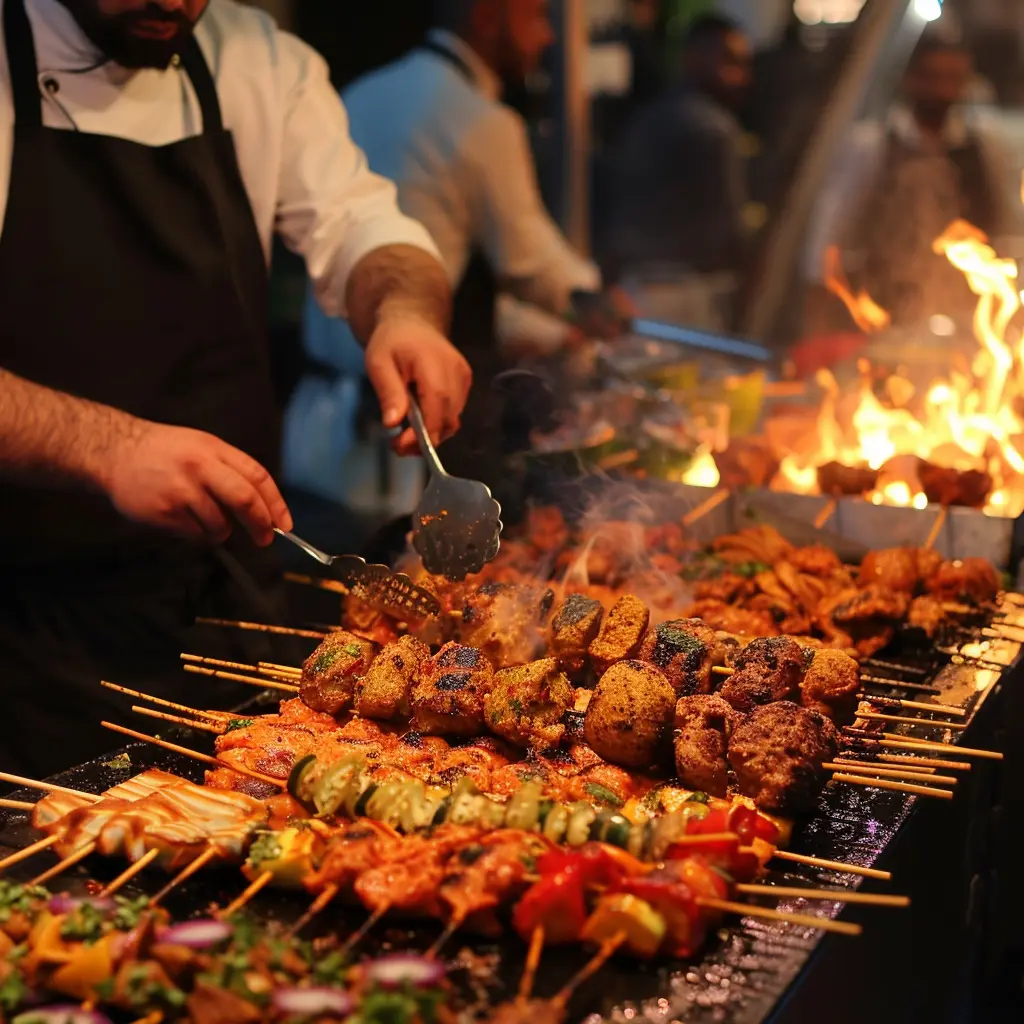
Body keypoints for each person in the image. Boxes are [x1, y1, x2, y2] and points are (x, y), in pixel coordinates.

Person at [0, 0, 472, 777]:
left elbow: (364, 228)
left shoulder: (255, 60)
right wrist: (110, 447)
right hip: (37, 626)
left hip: (231, 594)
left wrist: (406, 312)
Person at [295, 0, 605, 493]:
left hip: (311, 428)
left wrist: (552, 334)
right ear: (486, 16)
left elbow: (450, 270)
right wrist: (598, 302)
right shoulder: (479, 119)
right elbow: (532, 266)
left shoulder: (361, 92)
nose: (546, 36)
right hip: (398, 454)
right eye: (535, 17)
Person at [804, 33, 1021, 330]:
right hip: (887, 309)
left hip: (968, 311)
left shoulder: (984, 147)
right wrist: (820, 289)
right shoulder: (874, 145)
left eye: (954, 79)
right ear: (911, 79)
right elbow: (833, 223)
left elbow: (1008, 220)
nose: (944, 90)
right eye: (934, 77)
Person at [597, 13, 754, 277]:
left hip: (627, 277)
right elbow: (731, 233)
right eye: (730, 62)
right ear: (692, 58)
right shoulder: (715, 128)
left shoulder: (646, 116)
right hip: (684, 284)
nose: (742, 77)